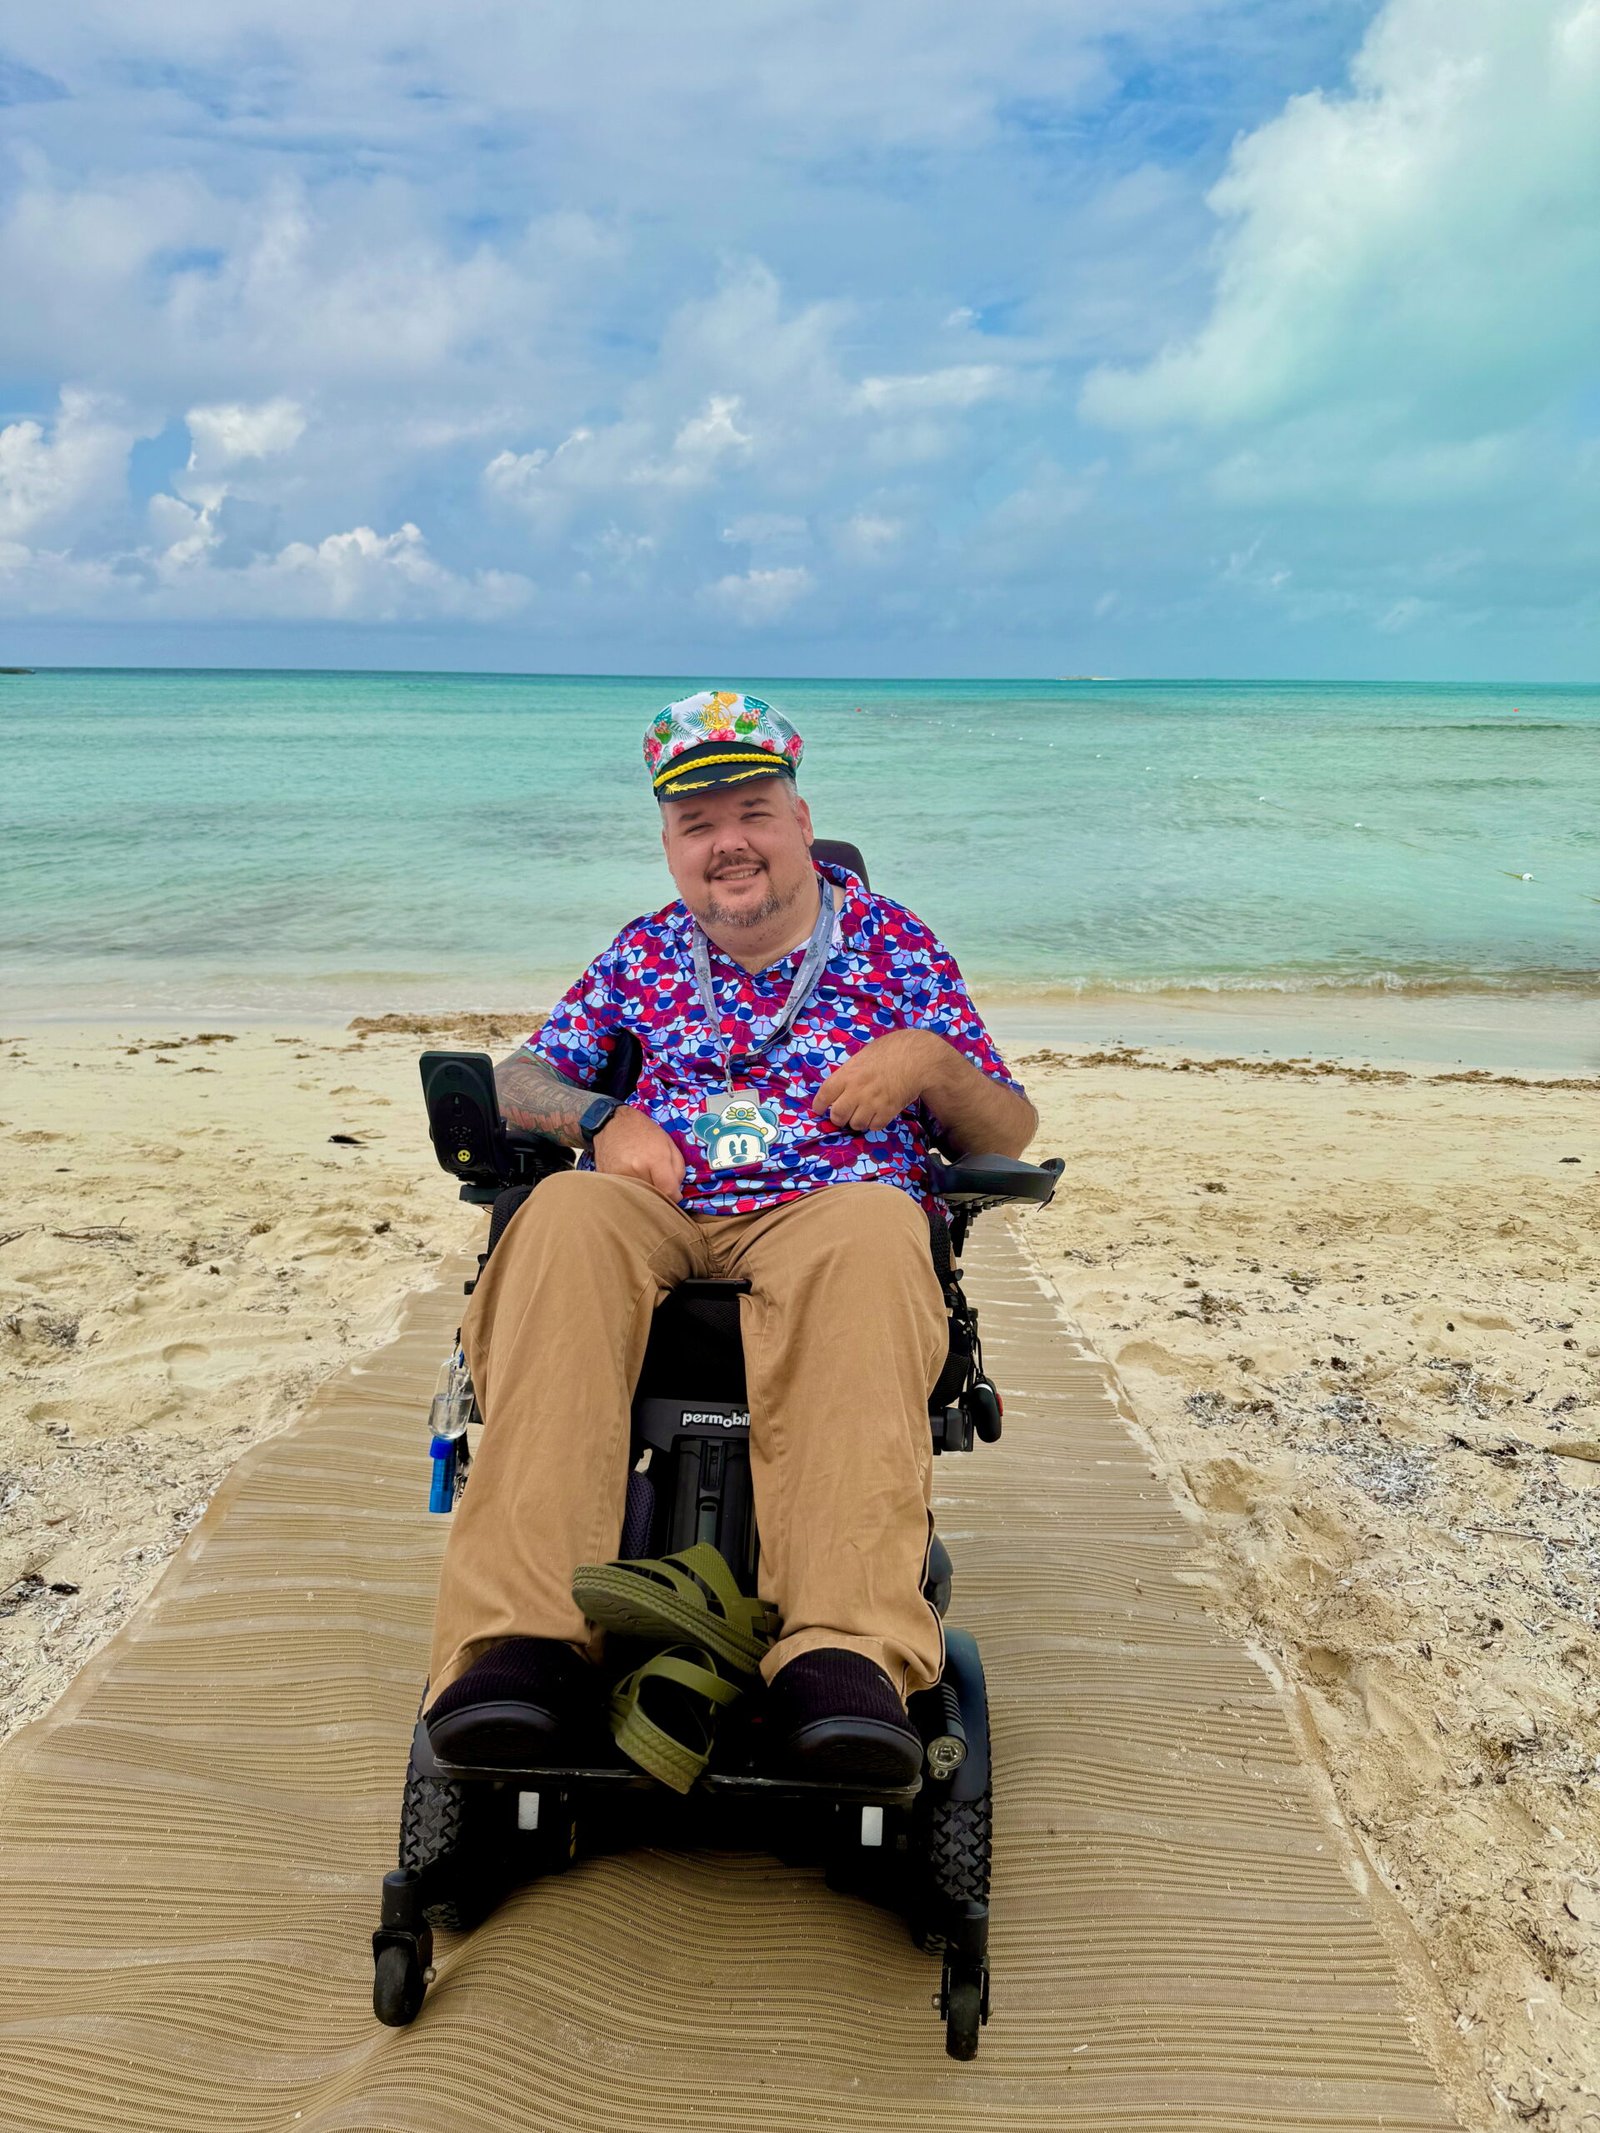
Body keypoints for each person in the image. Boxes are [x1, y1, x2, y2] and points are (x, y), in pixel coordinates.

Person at [424, 690, 1036, 1784]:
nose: (728, 845)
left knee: (871, 1230)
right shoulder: (645, 951)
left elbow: (1010, 1128)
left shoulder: (897, 945)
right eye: (697, 826)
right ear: (669, 846)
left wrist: (929, 1066)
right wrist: (603, 1118)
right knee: (559, 1211)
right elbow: (521, 1077)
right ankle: (521, 1640)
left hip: (826, 1209)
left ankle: (842, 1649)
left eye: (751, 812)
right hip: (656, 1208)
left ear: (801, 822)